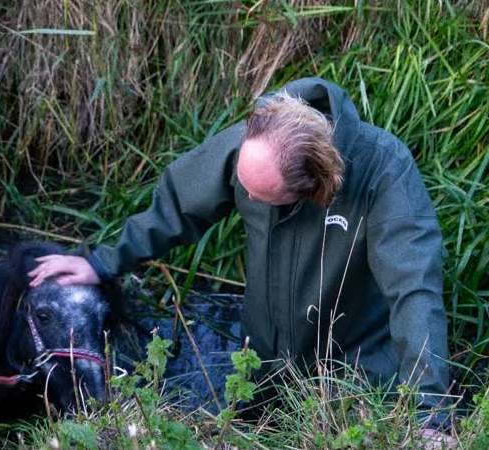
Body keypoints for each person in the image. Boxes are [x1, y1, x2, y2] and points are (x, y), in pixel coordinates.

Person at [28, 78, 453, 445]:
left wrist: (431, 412)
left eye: (262, 196)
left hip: (355, 369)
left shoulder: (384, 170)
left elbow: (414, 289)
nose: (246, 197)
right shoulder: (257, 140)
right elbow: (177, 206)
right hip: (265, 359)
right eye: (244, 187)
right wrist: (102, 263)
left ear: (317, 188)